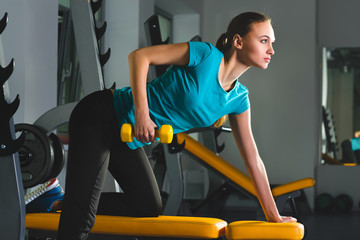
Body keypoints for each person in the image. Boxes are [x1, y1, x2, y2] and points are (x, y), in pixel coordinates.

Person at [57, 11, 297, 240]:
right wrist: (142, 114)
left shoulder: (239, 99)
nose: (271, 50)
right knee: (81, 220)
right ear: (238, 41)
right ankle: (75, 207)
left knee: (147, 205)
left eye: (272, 42)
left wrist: (273, 215)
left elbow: (253, 159)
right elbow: (140, 57)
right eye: (264, 40)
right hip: (101, 114)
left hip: (124, 137)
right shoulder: (205, 55)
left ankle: (59, 203)